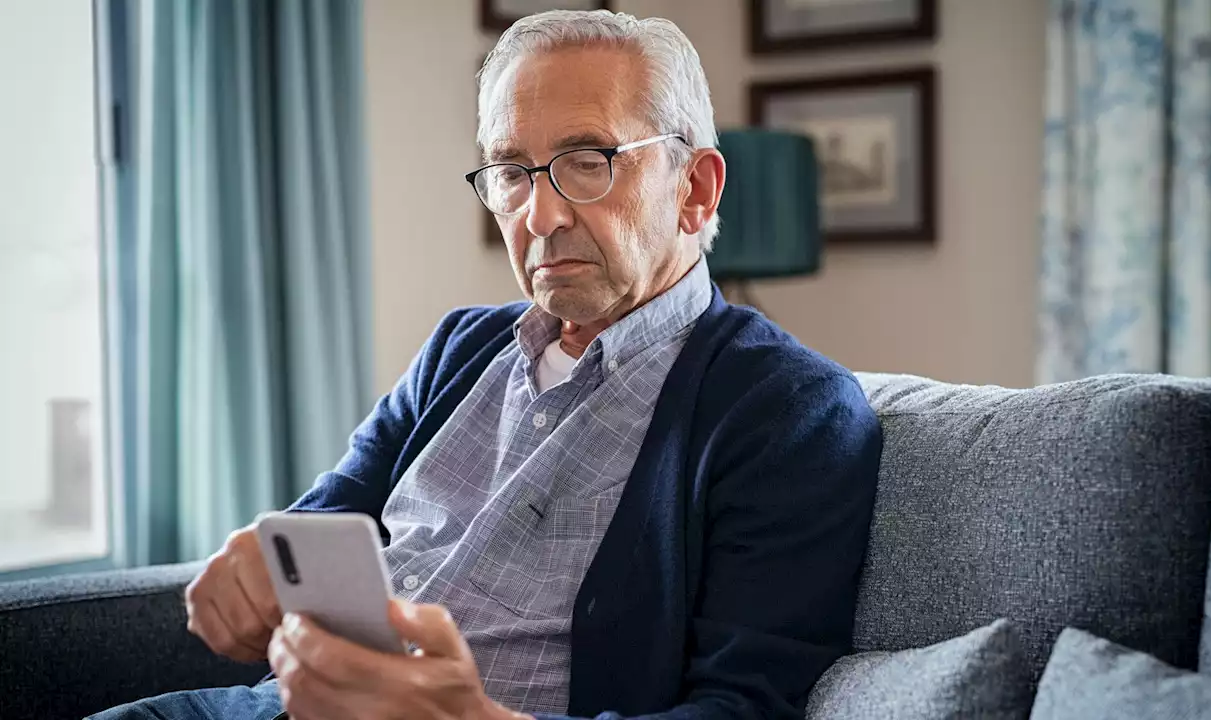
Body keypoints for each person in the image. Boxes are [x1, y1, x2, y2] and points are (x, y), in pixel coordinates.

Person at [93, 9, 881, 720]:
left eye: (586, 160)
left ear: (695, 192)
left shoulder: (790, 410)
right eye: (511, 171)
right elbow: (326, 522)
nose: (539, 214)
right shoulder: (460, 348)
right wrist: (263, 562)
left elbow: (743, 710)